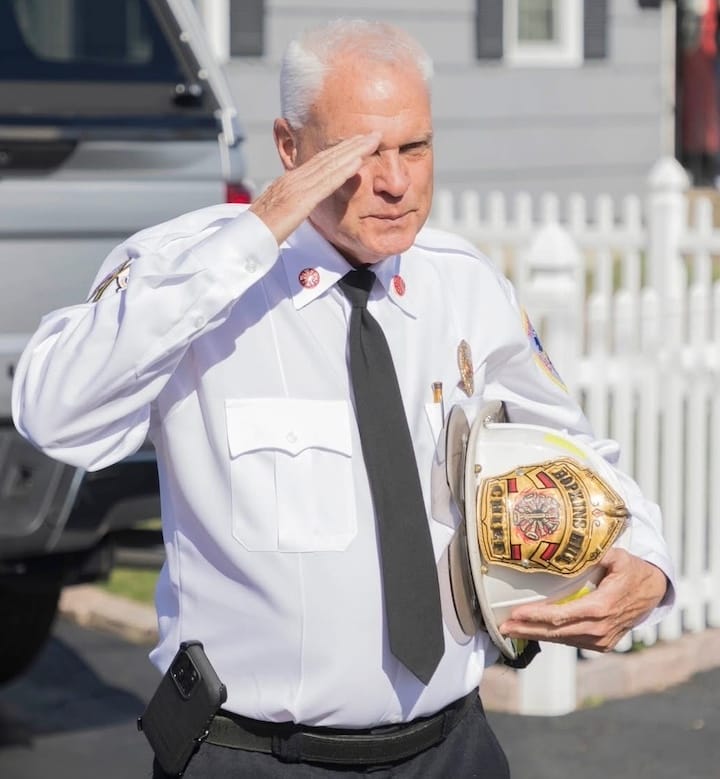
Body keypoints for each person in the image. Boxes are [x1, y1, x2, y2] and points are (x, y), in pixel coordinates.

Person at [12, 18, 674, 778]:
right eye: (361, 154)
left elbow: (573, 447)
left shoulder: (462, 284)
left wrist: (648, 562)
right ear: (290, 148)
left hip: (451, 748)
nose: (395, 181)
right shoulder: (194, 274)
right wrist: (251, 236)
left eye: (415, 148)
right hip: (254, 755)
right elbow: (55, 416)